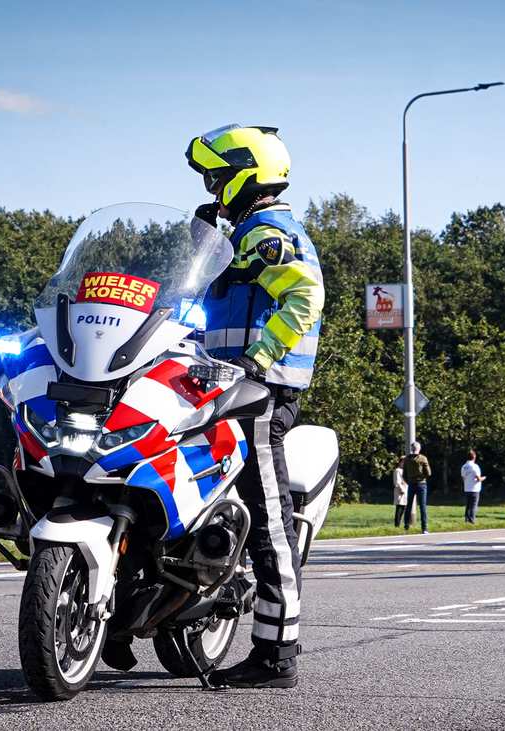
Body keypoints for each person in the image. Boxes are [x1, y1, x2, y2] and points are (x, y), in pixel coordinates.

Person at [185, 124, 324, 689]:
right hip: (222, 389)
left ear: (246, 174)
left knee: (269, 521)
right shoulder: (240, 232)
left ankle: (276, 653)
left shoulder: (268, 230)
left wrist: (261, 360)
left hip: (256, 395)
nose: (214, 187)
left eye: (218, 177)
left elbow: (304, 294)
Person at [402, 441, 432, 533]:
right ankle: (424, 528)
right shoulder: (423, 458)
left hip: (411, 484)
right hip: (421, 484)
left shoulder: (406, 459)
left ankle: (406, 525)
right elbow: (429, 473)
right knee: (422, 506)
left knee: (409, 505)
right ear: (419, 449)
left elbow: (404, 475)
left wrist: (409, 481)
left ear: (412, 449)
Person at [461, 449, 485, 523]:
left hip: (467, 488)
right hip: (474, 488)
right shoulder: (475, 466)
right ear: (474, 457)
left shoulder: (464, 466)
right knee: (473, 505)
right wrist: (483, 478)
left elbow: (463, 477)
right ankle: (472, 520)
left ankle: (466, 519)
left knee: (468, 505)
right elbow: (478, 478)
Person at [393, 457, 409, 528]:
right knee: (399, 508)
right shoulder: (397, 470)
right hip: (400, 491)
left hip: (406, 491)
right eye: (403, 462)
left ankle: (401, 523)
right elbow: (397, 482)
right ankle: (397, 525)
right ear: (400, 462)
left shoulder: (405, 471)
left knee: (403, 507)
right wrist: (402, 489)